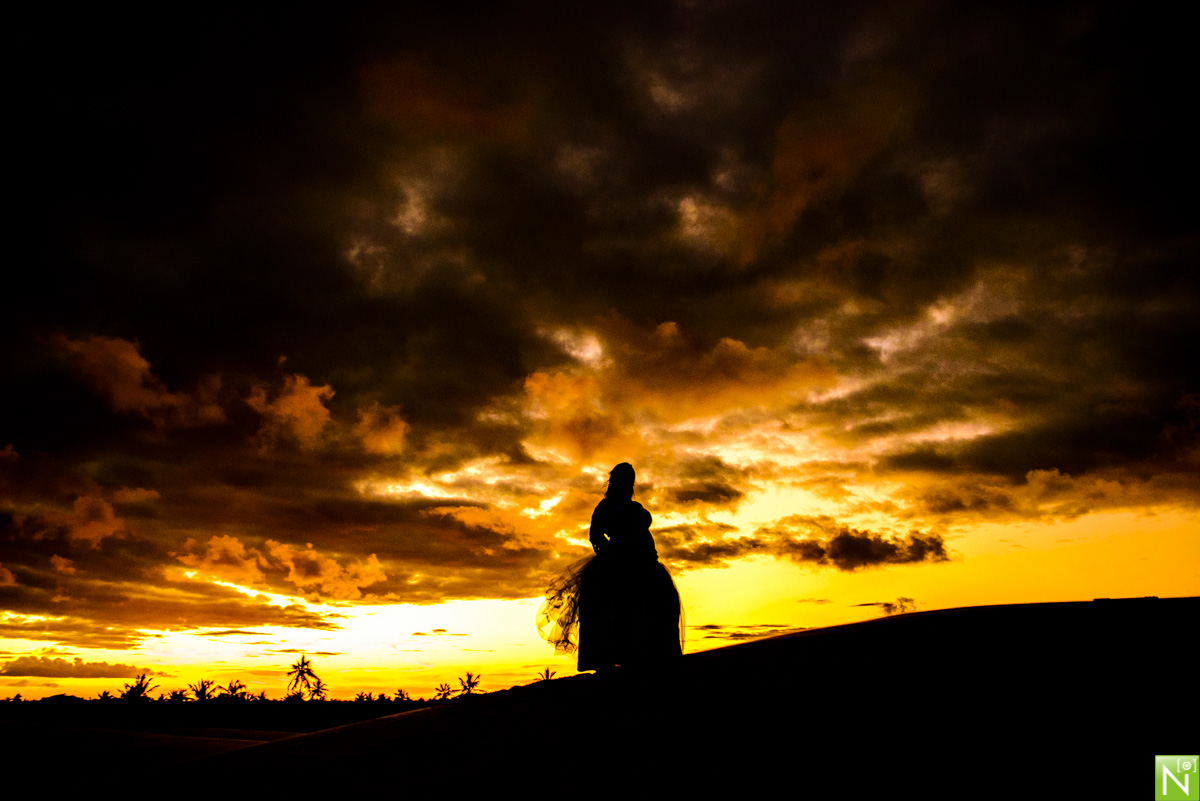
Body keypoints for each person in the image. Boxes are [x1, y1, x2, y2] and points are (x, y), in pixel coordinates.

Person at [538, 463, 683, 670]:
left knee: (662, 603)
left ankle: (657, 654)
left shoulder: (636, 508)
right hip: (618, 563)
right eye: (624, 479)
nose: (628, 484)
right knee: (617, 610)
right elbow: (595, 536)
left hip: (646, 562)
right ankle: (620, 657)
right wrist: (614, 554)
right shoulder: (605, 507)